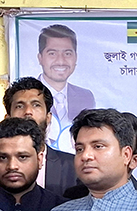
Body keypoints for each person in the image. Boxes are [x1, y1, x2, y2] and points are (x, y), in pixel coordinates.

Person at [3, 77, 78, 197]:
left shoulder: (73, 166)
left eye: (36, 105)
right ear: (7, 118)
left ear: (48, 118)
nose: (28, 112)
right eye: (19, 106)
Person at [64, 111, 137, 199]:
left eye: (98, 146)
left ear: (129, 157)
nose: (86, 156)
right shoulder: (69, 200)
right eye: (80, 149)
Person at [37, 25, 95, 153]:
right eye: (52, 53)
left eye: (67, 53)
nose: (60, 61)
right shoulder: (28, 97)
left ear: (75, 57)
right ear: (40, 58)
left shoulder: (86, 97)